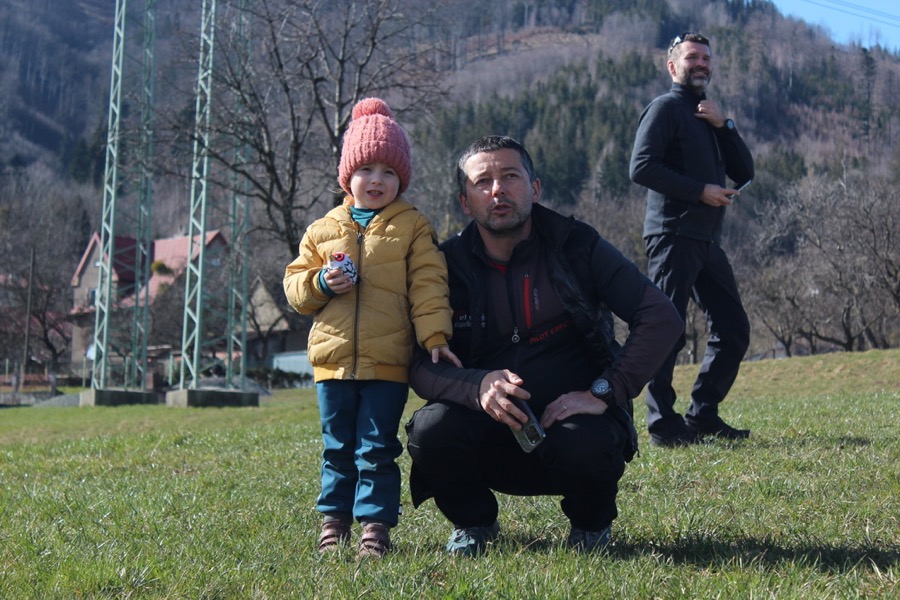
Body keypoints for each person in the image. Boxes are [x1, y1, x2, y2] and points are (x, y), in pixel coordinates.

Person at [404, 135, 683, 556]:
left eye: (510, 176)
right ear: (465, 202)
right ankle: (473, 523)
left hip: (574, 432)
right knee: (431, 430)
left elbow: (661, 317)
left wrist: (604, 391)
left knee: (587, 442)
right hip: (486, 432)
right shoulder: (445, 265)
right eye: (482, 182)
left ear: (534, 189)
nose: (497, 190)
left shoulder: (577, 245)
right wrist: (476, 386)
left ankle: (590, 527)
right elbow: (418, 360)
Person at [283, 97, 460, 559]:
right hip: (332, 362)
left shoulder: (413, 226)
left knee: (377, 447)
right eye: (366, 169)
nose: (377, 180)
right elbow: (295, 287)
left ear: (402, 179)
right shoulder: (322, 230)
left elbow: (429, 283)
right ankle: (333, 523)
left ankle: (375, 528)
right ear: (347, 175)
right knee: (337, 447)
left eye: (388, 171)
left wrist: (434, 336)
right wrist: (321, 283)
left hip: (388, 362)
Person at [629, 32, 755, 447]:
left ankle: (702, 416)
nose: (701, 63)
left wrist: (725, 125)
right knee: (667, 327)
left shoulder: (708, 115)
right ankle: (663, 425)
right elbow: (641, 166)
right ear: (672, 66)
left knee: (733, 328)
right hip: (672, 234)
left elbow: (746, 172)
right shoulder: (665, 108)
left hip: (706, 239)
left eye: (706, 58)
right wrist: (700, 190)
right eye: (692, 57)